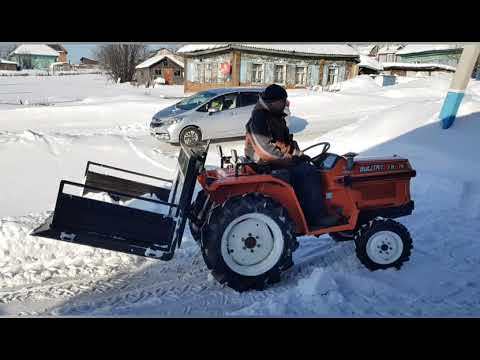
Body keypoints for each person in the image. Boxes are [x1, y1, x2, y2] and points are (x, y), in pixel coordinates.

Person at [245, 84, 338, 228]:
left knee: (310, 165)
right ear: (274, 102)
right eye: (283, 101)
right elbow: (265, 150)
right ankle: (316, 218)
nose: (285, 104)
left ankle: (313, 206)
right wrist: (288, 160)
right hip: (264, 163)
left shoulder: (275, 116)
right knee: (309, 173)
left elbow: (285, 143)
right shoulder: (259, 118)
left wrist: (298, 154)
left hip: (275, 160)